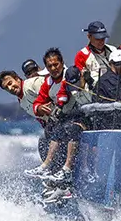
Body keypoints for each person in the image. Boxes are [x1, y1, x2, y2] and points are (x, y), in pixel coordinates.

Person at [30, 48, 86, 184]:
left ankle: (67, 171)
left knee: (69, 130)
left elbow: (65, 93)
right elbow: (38, 102)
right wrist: (39, 108)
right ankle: (49, 169)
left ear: (62, 62)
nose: (54, 68)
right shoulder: (48, 82)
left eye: (56, 64)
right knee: (47, 135)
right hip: (65, 119)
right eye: (50, 66)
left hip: (81, 116)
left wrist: (60, 106)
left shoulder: (70, 74)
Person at [0, 68, 49, 160]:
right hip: (52, 126)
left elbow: (55, 88)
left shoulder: (32, 84)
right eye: (6, 88)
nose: (10, 88)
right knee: (43, 143)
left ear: (17, 79)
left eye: (10, 83)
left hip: (64, 117)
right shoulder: (21, 101)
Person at [73, 21, 118, 88]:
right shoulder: (82, 55)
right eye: (97, 39)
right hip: (94, 91)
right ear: (89, 36)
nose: (101, 41)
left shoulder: (113, 50)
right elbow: (80, 82)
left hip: (115, 88)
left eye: (103, 38)